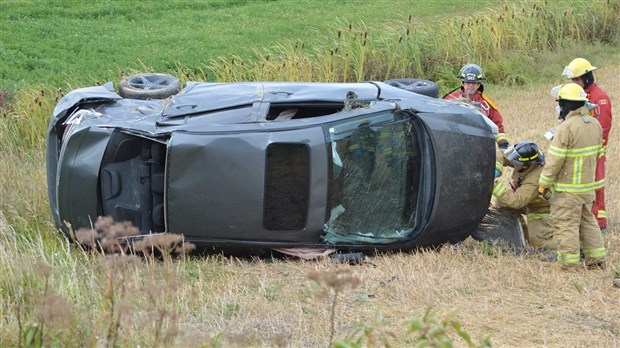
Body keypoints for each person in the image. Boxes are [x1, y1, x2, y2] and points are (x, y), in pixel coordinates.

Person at [539, 83, 606, 269]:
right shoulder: (594, 124)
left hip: (567, 190)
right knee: (588, 222)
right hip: (586, 188)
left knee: (566, 224)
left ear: (566, 105)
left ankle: (569, 264)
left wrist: (543, 183)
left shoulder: (566, 128)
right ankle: (597, 259)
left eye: (560, 104)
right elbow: (598, 153)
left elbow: (554, 161)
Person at [562, 58, 612, 231]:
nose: (575, 83)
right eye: (573, 80)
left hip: (595, 151)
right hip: (581, 150)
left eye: (577, 80)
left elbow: (603, 127)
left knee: (596, 186)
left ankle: (600, 222)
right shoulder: (580, 96)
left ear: (587, 77)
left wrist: (596, 149)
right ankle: (586, 220)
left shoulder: (600, 98)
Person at [492, 142, 556, 249]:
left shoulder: (536, 179)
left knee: (539, 245)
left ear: (527, 165)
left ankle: (573, 244)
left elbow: (517, 201)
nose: (512, 163)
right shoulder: (525, 162)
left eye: (515, 163)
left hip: (542, 210)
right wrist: (496, 169)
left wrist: (493, 185)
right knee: (502, 202)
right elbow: (501, 154)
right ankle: (520, 236)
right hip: (528, 202)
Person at [444, 63, 509, 149]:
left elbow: (497, 124)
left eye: (474, 83)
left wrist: (502, 142)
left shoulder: (486, 104)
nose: (470, 85)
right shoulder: (451, 99)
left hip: (479, 144)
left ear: (478, 84)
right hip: (455, 141)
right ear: (462, 83)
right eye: (468, 82)